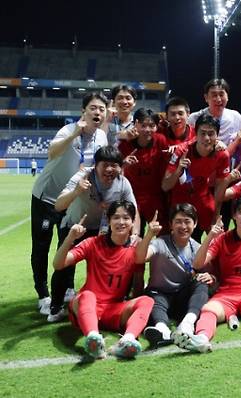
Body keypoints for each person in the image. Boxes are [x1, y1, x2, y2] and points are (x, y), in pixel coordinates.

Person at [30, 92, 108, 315]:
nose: (97, 112)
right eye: (93, 108)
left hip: (72, 199)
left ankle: (67, 289)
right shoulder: (67, 130)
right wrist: (74, 133)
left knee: (68, 242)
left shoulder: (101, 137)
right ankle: (43, 294)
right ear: (83, 111)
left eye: (101, 109)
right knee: (41, 247)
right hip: (47, 197)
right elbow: (51, 153)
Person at [52, 200, 154, 359]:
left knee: (147, 301)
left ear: (133, 222)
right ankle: (93, 338)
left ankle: (127, 340)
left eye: (126, 218)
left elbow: (138, 283)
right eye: (116, 217)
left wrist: (134, 309)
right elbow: (58, 264)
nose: (121, 222)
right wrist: (69, 238)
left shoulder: (136, 250)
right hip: (87, 307)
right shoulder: (92, 243)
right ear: (108, 219)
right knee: (87, 295)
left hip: (113, 310)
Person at [49, 145, 139, 322]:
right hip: (75, 227)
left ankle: (115, 301)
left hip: (102, 230)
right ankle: (56, 306)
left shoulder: (123, 182)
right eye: (105, 164)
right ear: (96, 165)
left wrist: (134, 234)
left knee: (121, 261)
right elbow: (58, 205)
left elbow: (134, 211)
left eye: (115, 165)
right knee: (65, 266)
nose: (110, 169)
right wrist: (76, 191)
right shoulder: (82, 177)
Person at [177, 195, 241, 353]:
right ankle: (201, 339)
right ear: (234, 215)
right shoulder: (221, 239)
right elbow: (197, 264)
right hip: (226, 294)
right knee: (208, 309)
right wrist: (210, 237)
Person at [135, 203, 213, 348]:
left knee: (201, 283)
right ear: (170, 224)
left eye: (187, 221)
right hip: (160, 293)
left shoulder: (197, 248)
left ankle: (187, 324)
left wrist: (210, 277)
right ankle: (162, 330)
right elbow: (140, 258)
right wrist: (148, 235)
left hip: (182, 298)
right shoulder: (159, 243)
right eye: (178, 221)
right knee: (151, 300)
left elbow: (211, 274)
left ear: (195, 224)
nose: (183, 226)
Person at [162, 114, 231, 241]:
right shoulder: (182, 151)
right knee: (181, 243)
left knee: (218, 238)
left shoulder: (222, 154)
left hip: (203, 200)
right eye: (202, 133)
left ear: (217, 135)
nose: (206, 138)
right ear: (195, 133)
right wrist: (178, 171)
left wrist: (216, 217)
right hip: (180, 201)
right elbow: (165, 186)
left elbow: (220, 187)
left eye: (211, 133)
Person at [118, 108, 168, 235]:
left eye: (152, 126)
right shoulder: (125, 145)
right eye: (143, 125)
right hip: (132, 198)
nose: (147, 130)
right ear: (135, 124)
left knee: (163, 236)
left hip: (155, 198)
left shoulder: (161, 141)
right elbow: (116, 171)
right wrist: (124, 164)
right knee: (132, 238)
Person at [188, 78, 241, 146]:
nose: (218, 99)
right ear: (206, 97)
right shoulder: (194, 118)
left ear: (227, 96)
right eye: (214, 95)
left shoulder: (236, 116)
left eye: (221, 95)